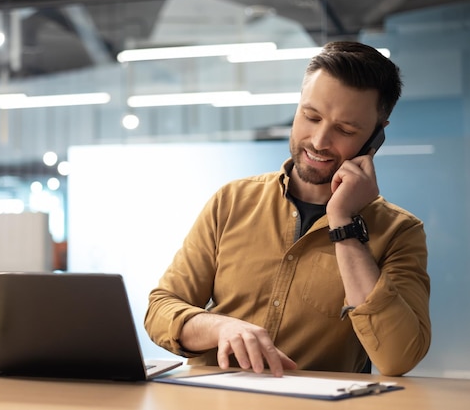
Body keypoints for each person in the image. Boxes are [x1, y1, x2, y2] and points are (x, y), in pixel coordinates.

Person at [144, 41, 431, 377]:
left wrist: (344, 225)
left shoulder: (399, 232)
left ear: (375, 138)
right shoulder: (232, 201)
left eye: (345, 130)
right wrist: (218, 327)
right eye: (311, 116)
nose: (320, 141)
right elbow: (160, 310)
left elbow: (399, 357)